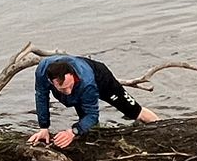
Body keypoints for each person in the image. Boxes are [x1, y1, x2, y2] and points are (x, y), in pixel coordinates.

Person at [29, 56, 162, 150]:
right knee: (87, 127)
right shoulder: (43, 71)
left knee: (134, 111)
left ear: (72, 75)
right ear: (51, 81)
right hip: (79, 87)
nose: (68, 91)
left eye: (70, 86)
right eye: (63, 89)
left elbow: (92, 115)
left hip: (101, 80)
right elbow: (41, 96)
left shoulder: (87, 82)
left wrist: (72, 131)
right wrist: (44, 127)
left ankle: (162, 127)